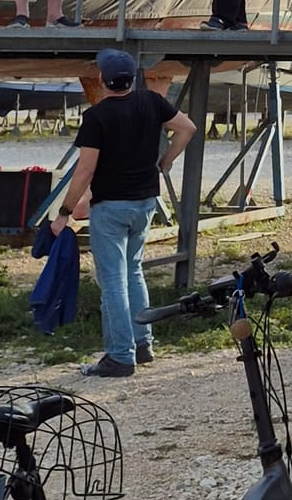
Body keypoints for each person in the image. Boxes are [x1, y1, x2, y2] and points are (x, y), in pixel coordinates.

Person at [53, 48, 196, 379]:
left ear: (102, 80)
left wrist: (64, 211)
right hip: (144, 202)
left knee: (113, 280)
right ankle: (142, 343)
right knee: (133, 272)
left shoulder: (97, 117)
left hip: (110, 207)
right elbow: (187, 128)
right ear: (132, 79)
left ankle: (120, 355)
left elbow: (85, 170)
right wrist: (165, 161)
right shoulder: (152, 102)